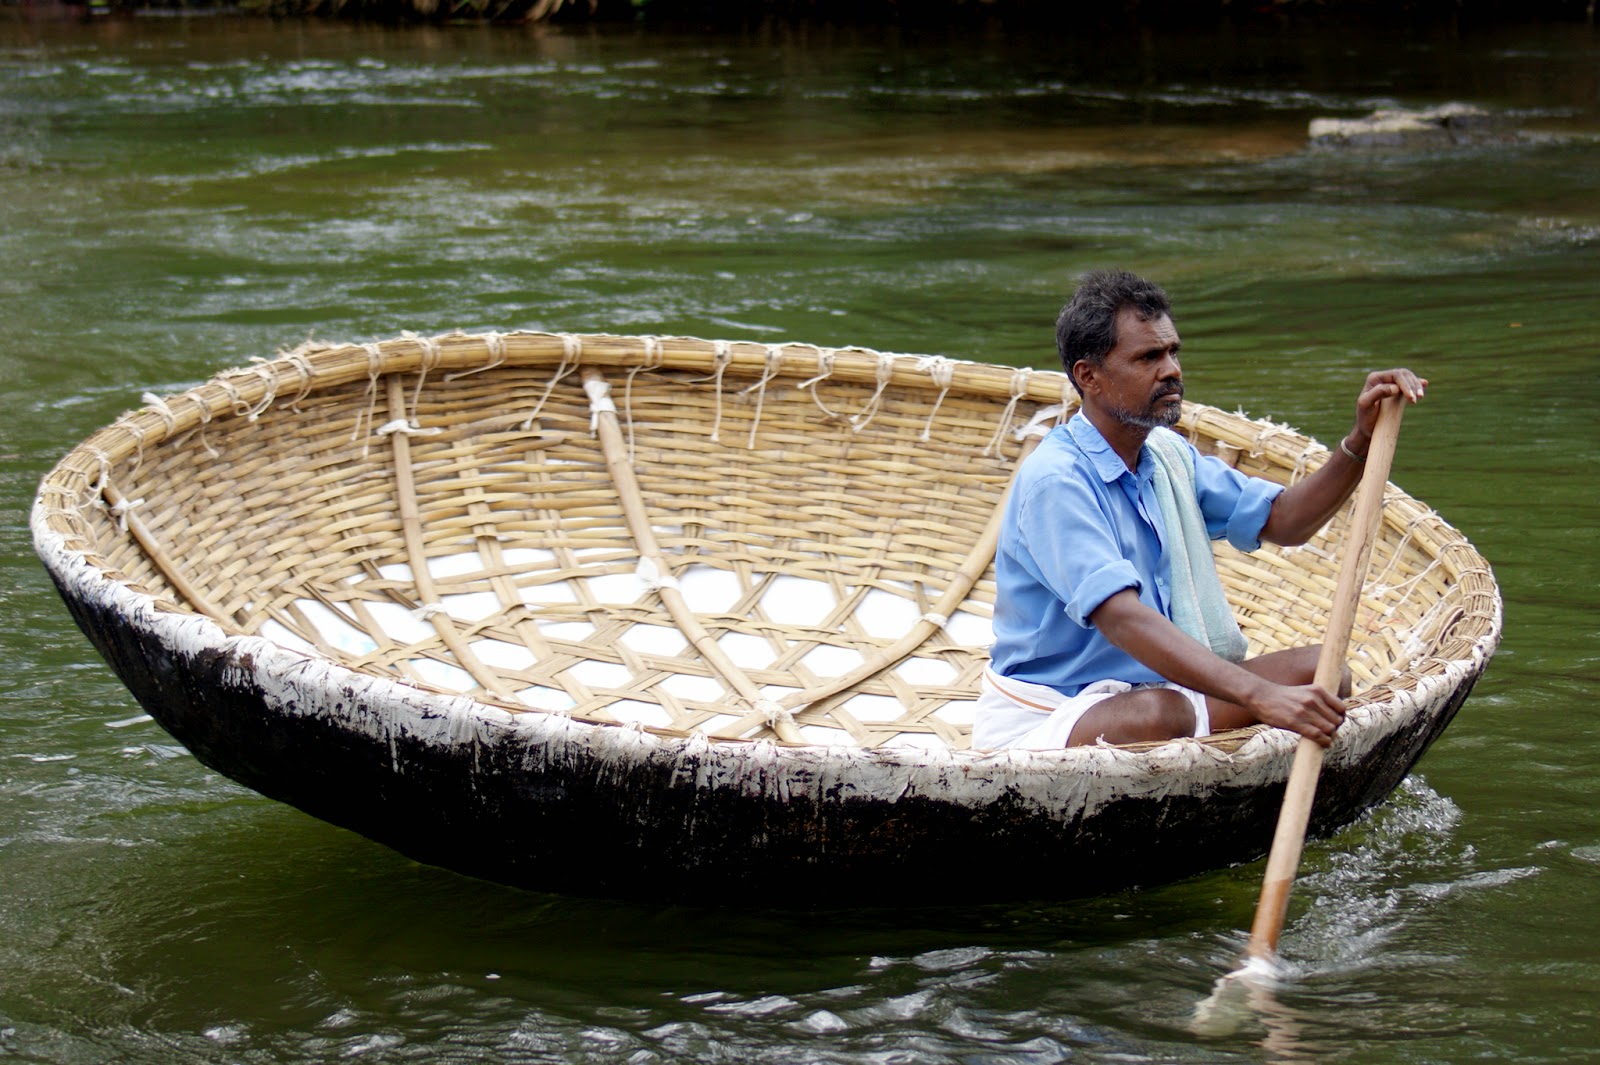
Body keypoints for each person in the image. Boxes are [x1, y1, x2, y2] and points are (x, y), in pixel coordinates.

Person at [976, 269, 1426, 750]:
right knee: (1159, 713)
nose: (1171, 370)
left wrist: (1359, 442)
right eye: (1149, 357)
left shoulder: (1165, 455)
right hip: (1050, 711)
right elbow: (1122, 618)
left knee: (1323, 672)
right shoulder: (1057, 480)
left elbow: (1286, 521)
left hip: (1160, 693)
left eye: (1173, 352)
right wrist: (1260, 696)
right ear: (1089, 377)